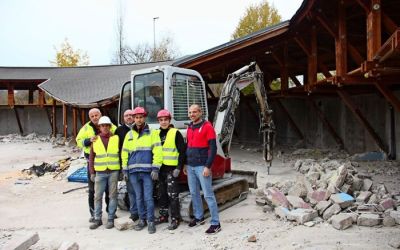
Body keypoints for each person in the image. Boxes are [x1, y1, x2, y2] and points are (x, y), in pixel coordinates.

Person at [121, 107, 162, 234]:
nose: (138, 120)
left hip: (147, 172)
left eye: (141, 117)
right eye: (136, 117)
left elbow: (157, 151)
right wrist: (125, 169)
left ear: (144, 118)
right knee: (138, 197)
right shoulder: (129, 135)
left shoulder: (152, 133)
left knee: (148, 197)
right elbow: (124, 153)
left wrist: (156, 168)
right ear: (133, 118)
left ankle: (150, 221)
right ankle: (142, 220)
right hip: (133, 172)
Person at [184, 104, 221, 234]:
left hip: (202, 166)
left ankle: (216, 223)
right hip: (191, 165)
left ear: (200, 112)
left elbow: (213, 149)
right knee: (194, 193)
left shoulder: (208, 127)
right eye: (190, 112)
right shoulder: (189, 127)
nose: (192, 114)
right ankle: (199, 217)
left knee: (208, 195)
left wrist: (208, 166)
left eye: (194, 112)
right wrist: (185, 164)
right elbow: (188, 146)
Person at [76, 108, 117, 223]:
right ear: (90, 117)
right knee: (92, 191)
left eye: (96, 115)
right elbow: (78, 141)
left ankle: (111, 212)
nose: (94, 117)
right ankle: (94, 214)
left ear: (100, 115)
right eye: (92, 116)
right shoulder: (86, 128)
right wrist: (88, 140)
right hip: (92, 163)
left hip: (109, 165)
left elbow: (117, 136)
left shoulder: (109, 125)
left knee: (110, 191)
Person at [155, 109, 186, 230]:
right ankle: (163, 216)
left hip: (171, 169)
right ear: (159, 121)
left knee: (172, 194)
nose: (163, 122)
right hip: (160, 169)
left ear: (169, 120)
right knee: (161, 193)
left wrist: (179, 167)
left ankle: (175, 218)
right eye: (161, 120)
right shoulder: (156, 134)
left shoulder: (175, 133)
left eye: (165, 120)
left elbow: (182, 151)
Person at [88, 116, 120, 229]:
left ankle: (110, 218)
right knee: (97, 196)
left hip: (113, 171)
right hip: (100, 173)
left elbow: (120, 154)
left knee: (113, 196)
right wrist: (92, 172)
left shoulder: (116, 138)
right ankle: (98, 219)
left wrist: (120, 171)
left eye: (107, 125)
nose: (105, 127)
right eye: (103, 126)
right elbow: (91, 158)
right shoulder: (95, 140)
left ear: (110, 126)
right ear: (99, 127)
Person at [114, 109, 139, 222]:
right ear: (123, 118)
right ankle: (134, 213)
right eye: (126, 115)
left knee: (142, 190)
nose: (129, 117)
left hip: (141, 164)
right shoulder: (119, 131)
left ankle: (143, 211)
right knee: (131, 190)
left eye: (130, 115)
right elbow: (117, 149)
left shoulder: (140, 128)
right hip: (127, 166)